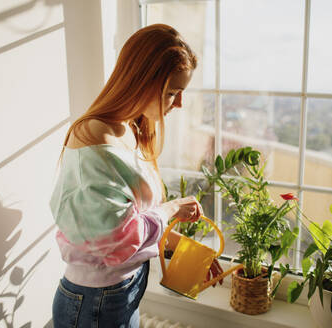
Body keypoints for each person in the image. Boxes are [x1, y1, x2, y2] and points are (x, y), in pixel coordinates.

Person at [49, 24, 223, 328]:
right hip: (96, 301)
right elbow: (113, 241)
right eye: (171, 93)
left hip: (119, 292)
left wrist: (177, 244)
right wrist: (171, 210)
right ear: (141, 81)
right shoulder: (95, 137)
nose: (178, 104)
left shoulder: (131, 129)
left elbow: (128, 220)